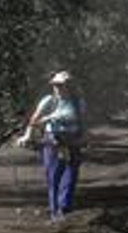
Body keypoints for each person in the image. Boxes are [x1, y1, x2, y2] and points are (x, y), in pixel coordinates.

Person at [23, 70, 86, 222]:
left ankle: (64, 208)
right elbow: (34, 119)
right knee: (53, 176)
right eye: (56, 85)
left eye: (62, 85)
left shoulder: (78, 103)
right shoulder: (48, 101)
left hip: (72, 140)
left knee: (70, 174)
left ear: (70, 86)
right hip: (52, 141)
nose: (58, 88)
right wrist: (27, 136)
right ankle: (54, 210)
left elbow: (72, 116)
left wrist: (50, 117)